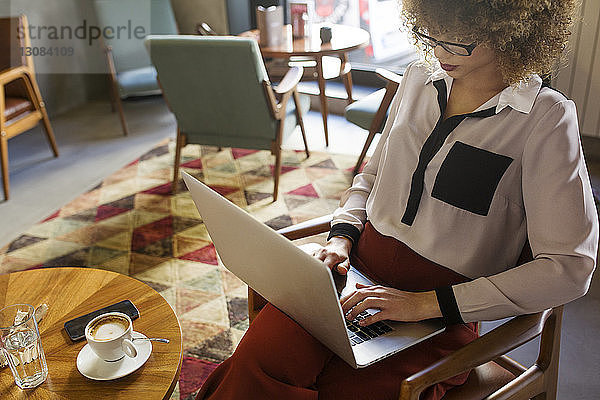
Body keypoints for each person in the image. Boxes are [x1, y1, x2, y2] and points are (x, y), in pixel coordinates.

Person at [197, 0, 598, 399]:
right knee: (259, 361)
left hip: (439, 315)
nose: (439, 52)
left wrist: (424, 304)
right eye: (431, 33)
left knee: (338, 391)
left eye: (459, 43)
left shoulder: (545, 118)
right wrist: (342, 236)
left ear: (512, 31)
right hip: (353, 280)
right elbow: (373, 173)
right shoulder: (418, 77)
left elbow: (570, 267)